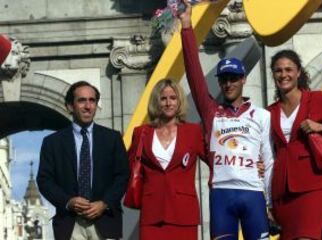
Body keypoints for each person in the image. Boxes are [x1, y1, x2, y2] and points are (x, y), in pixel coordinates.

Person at [178, 2, 274, 239]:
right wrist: (187, 27)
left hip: (253, 194)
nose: (228, 84)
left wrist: (271, 203)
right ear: (220, 83)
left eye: (233, 78)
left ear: (243, 79)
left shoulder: (262, 115)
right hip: (221, 193)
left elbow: (269, 160)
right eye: (224, 80)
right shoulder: (211, 112)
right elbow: (194, 75)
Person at [267, 49, 322, 240]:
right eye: (278, 71)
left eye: (289, 69)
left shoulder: (318, 99)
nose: (284, 74)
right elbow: (269, 154)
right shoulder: (269, 112)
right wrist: (269, 201)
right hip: (283, 193)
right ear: (273, 75)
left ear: (298, 72)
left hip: (313, 187)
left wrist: (321, 128)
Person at [37, 81, 130, 240]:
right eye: (82, 100)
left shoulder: (112, 138)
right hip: (70, 225)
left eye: (92, 100)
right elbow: (45, 180)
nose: (88, 106)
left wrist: (104, 203)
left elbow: (123, 175)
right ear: (70, 106)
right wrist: (68, 201)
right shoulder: (52, 142)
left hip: (105, 222)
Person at [127, 79, 206, 240]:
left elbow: (216, 161)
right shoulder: (142, 132)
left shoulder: (193, 131)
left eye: (173, 98)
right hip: (151, 214)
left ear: (179, 101)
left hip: (184, 214)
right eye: (163, 98)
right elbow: (125, 168)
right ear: (156, 102)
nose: (168, 103)